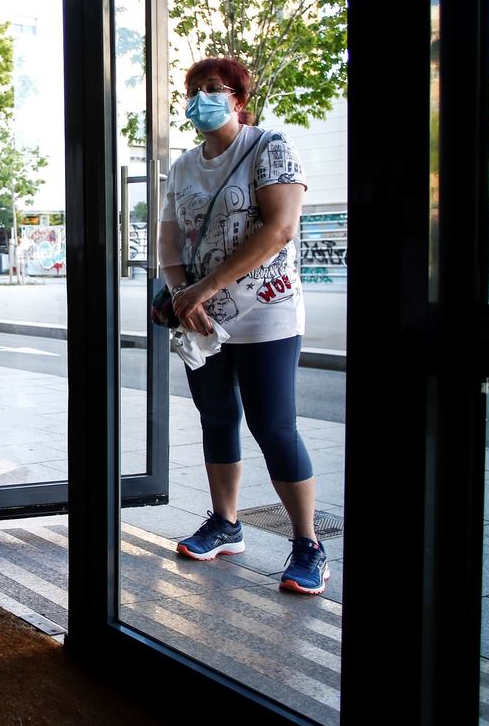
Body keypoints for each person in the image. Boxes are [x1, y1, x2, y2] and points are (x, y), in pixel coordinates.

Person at [160, 57, 326, 595]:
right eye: (193, 89)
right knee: (216, 416)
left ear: (238, 98)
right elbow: (169, 242)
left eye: (214, 88)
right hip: (200, 317)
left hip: (265, 311)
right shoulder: (183, 166)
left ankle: (308, 544)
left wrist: (202, 289)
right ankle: (226, 524)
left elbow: (279, 230)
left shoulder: (270, 146)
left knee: (273, 424)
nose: (200, 97)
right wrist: (184, 294)